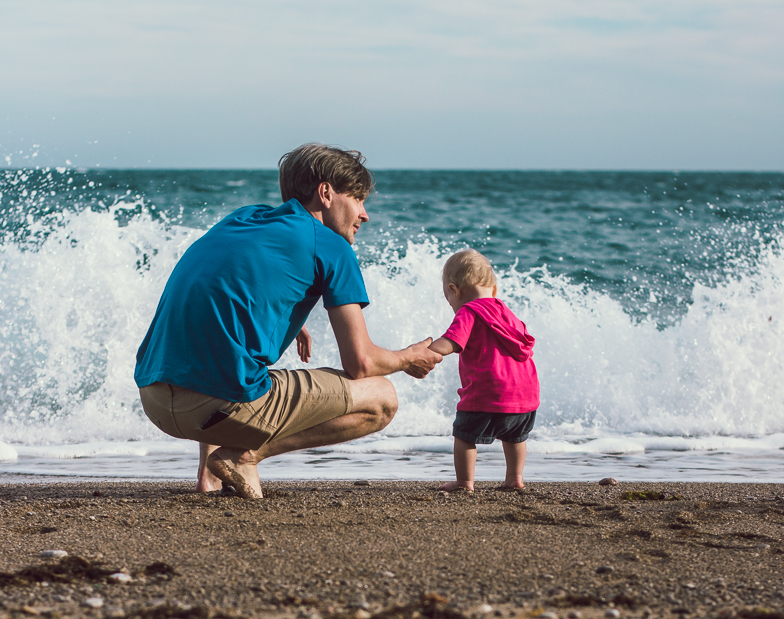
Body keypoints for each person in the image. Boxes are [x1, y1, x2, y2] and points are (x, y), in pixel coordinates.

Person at [134, 144, 442, 499]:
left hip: (155, 399)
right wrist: (408, 357)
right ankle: (245, 455)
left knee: (215, 350)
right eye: (358, 199)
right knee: (381, 396)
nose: (364, 214)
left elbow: (223, 287)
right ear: (325, 193)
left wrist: (286, 314)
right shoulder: (331, 246)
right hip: (215, 408)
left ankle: (209, 477)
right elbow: (362, 362)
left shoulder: (242, 218)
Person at [427, 250, 539, 492]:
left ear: (455, 291)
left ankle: (464, 482)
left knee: (464, 436)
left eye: (450, 300)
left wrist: (427, 351)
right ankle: (514, 478)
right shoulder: (508, 314)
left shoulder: (469, 311)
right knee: (515, 437)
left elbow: (452, 341)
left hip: (488, 392)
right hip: (525, 395)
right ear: (494, 290)